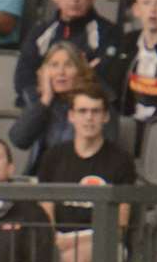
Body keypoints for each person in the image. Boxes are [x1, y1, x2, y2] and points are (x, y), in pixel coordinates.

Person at [35, 83, 138, 262]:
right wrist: (54, 239)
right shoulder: (53, 157)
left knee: (73, 259)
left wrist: (72, 242)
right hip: (59, 240)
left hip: (105, 243)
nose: (88, 117)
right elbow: (45, 210)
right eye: (82, 111)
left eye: (95, 111)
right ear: (71, 116)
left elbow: (120, 222)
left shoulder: (120, 160)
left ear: (105, 117)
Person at [11, 42, 109, 173]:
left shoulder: (96, 101)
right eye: (54, 65)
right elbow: (19, 139)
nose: (61, 72)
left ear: (80, 70)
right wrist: (45, 99)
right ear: (45, 72)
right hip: (42, 179)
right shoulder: (38, 101)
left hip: (80, 177)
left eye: (68, 65)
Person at [14, 0, 125, 110]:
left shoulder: (109, 33)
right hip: (41, 108)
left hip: (86, 112)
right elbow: (23, 80)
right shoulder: (40, 31)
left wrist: (50, 80)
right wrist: (82, 72)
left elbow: (104, 80)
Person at [117, 0, 157, 129]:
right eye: (146, 3)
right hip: (127, 123)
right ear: (136, 10)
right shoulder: (126, 42)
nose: (153, 10)